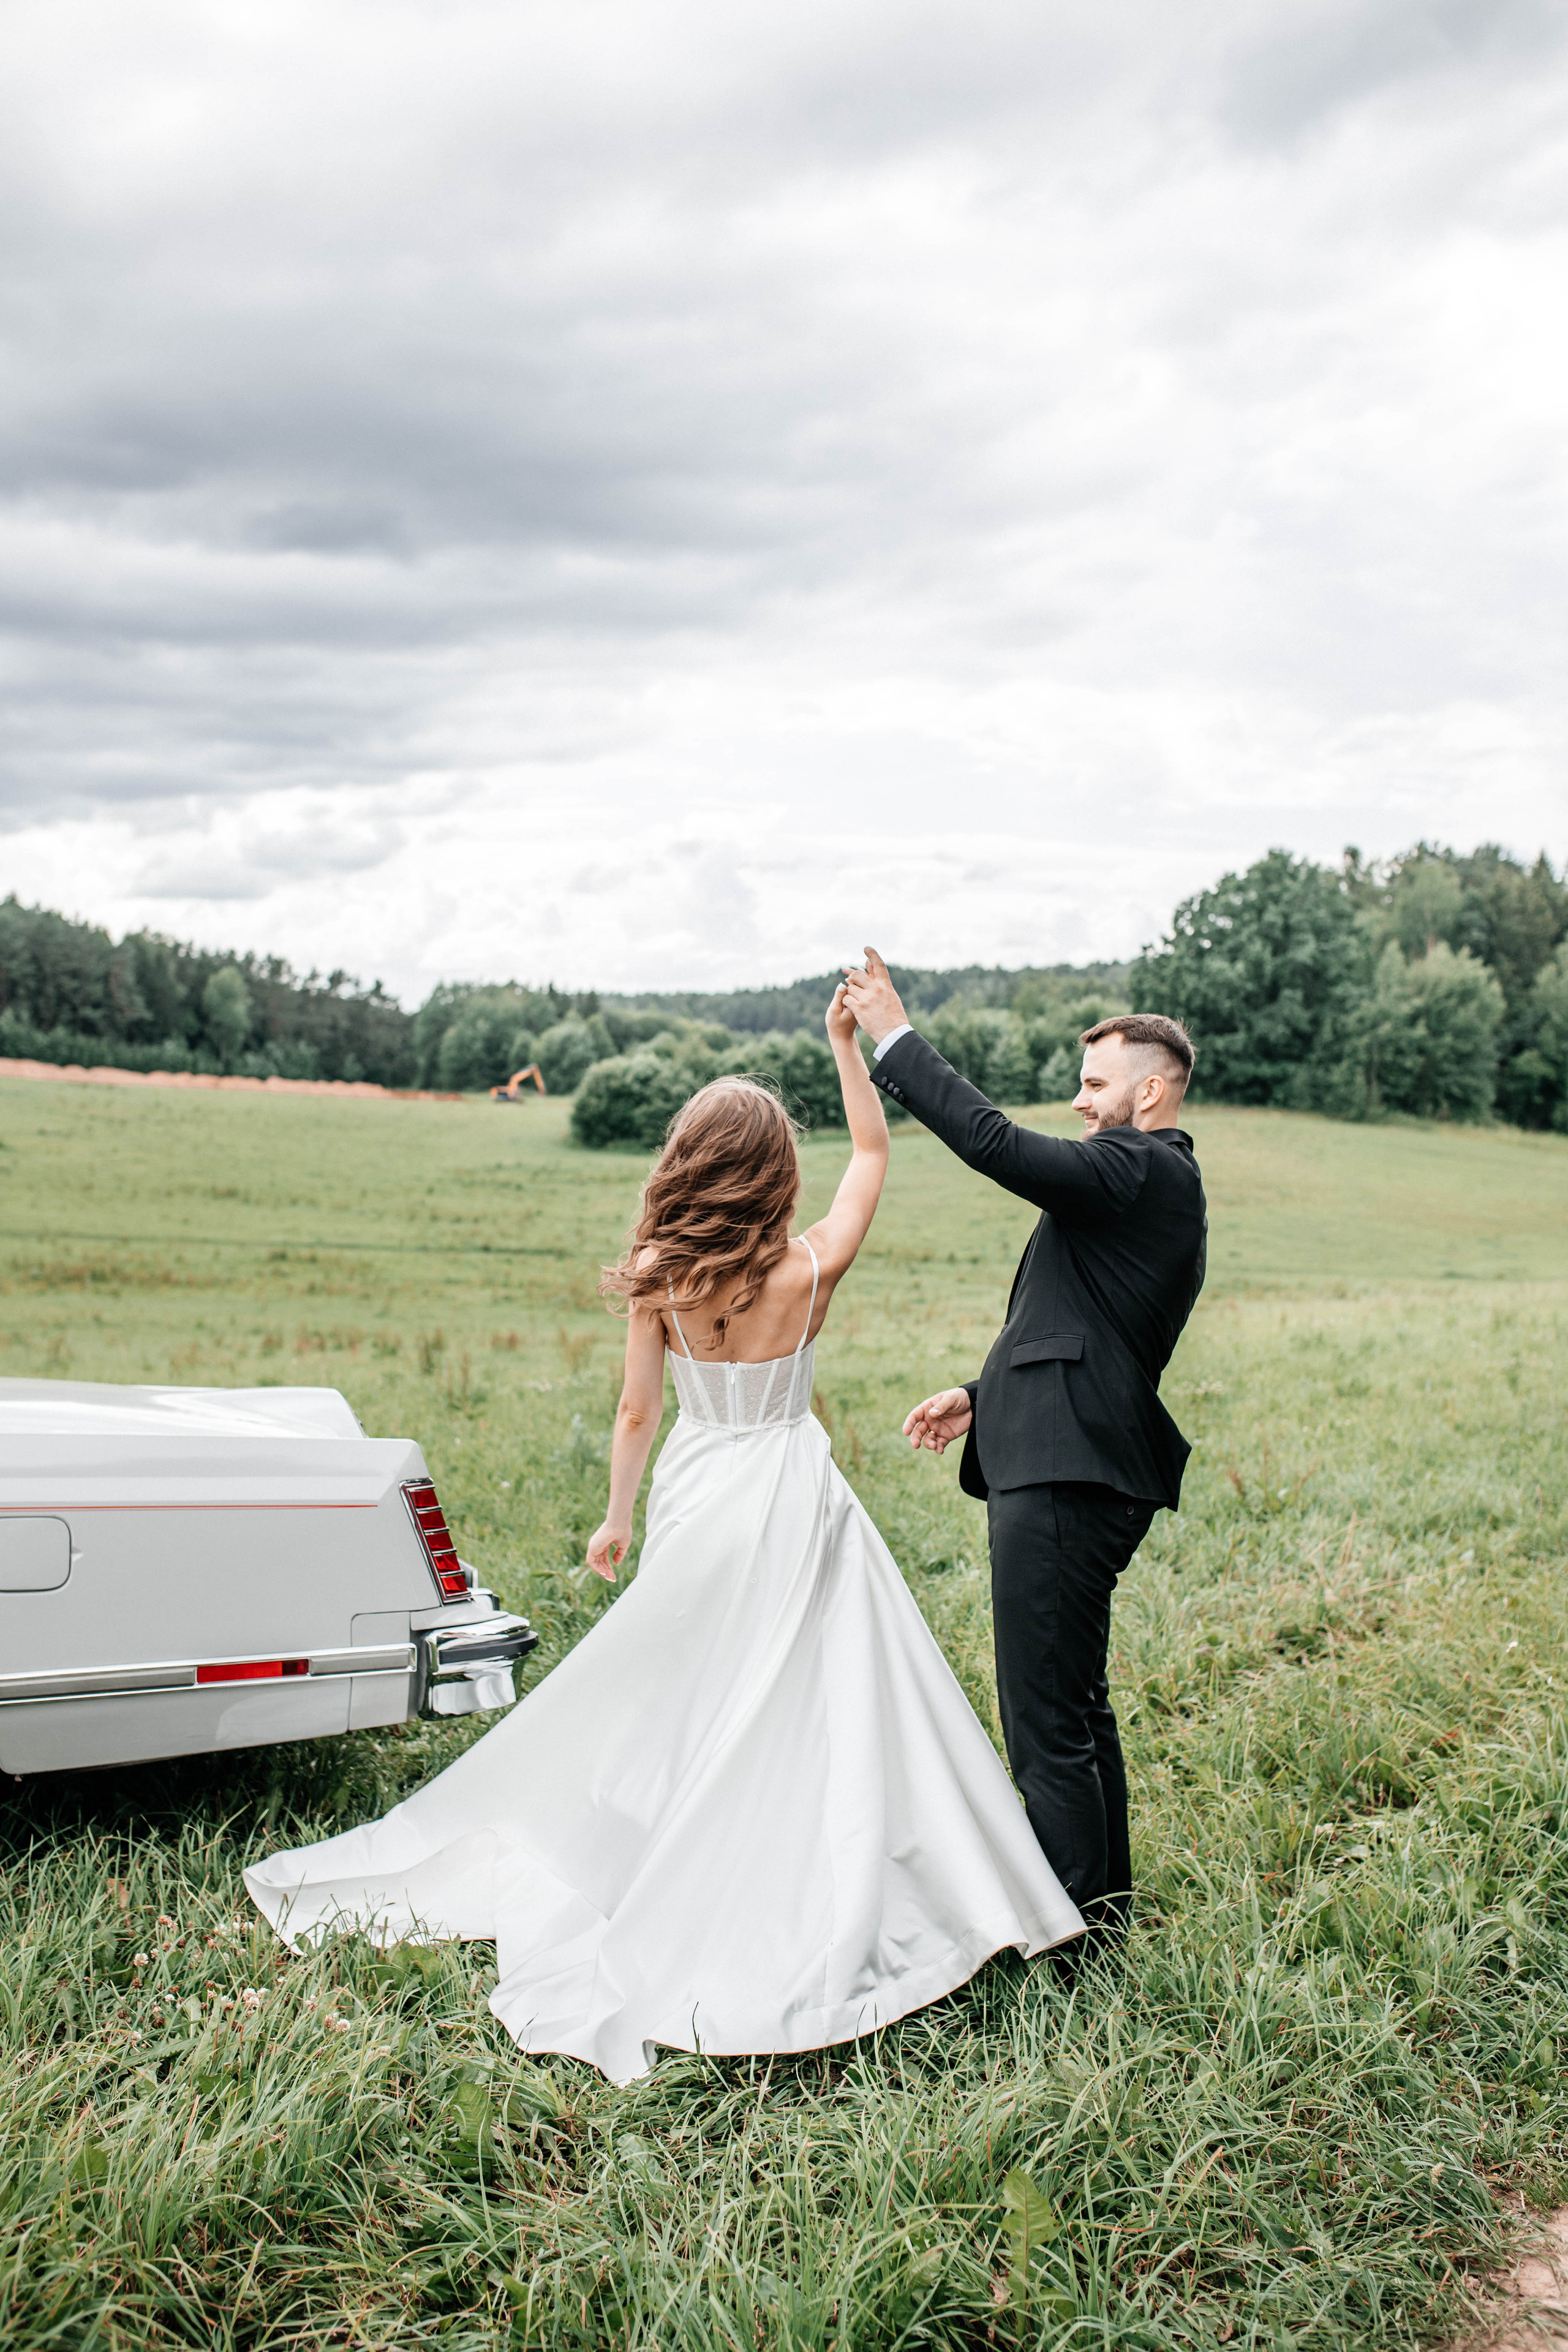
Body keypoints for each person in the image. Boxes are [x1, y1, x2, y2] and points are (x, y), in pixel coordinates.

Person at [245, 985, 1085, 2084]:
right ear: (775, 1177)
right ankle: (821, 1860)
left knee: (693, 1680)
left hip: (700, 1489)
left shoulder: (661, 1279)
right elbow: (872, 1159)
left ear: (686, 1168)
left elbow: (638, 1412)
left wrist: (617, 1516)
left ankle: (670, 1837)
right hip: (791, 1491)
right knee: (817, 1688)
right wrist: (848, 1049)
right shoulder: (803, 1273)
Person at [840, 951, 1207, 1943]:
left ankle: (1067, 1941)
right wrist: (979, 1394)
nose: (1083, 1104)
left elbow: (996, 1143)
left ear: (1152, 1089)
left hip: (1068, 1473)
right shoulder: (1137, 1187)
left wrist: (895, 1037)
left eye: (1097, 1085)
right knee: (1076, 1709)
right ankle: (1100, 1917)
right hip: (1066, 1454)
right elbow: (1082, 1324)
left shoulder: (1142, 1169)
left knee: (1046, 1723)